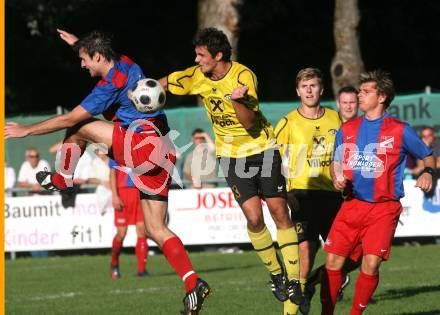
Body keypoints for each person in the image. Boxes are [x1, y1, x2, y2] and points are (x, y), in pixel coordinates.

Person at [5, 29, 210, 315]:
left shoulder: (108, 86)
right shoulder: (126, 62)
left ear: (98, 56)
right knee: (155, 228)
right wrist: (80, 45)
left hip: (140, 144)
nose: (82, 65)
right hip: (163, 149)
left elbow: (70, 117)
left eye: (84, 60)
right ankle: (192, 282)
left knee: (78, 127)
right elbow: (102, 56)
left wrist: (27, 130)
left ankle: (63, 177)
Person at [159, 27, 303, 306]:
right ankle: (277, 275)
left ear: (219, 55)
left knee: (278, 211)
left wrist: (236, 100)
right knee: (253, 218)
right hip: (231, 156)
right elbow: (164, 82)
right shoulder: (197, 75)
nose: (197, 60)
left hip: (262, 149)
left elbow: (249, 123)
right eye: (197, 54)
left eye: (202, 55)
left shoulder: (243, 76)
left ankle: (294, 280)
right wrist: (144, 89)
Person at [320, 69, 434, 315]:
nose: (359, 96)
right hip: (352, 205)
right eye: (360, 91)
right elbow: (337, 161)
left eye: (365, 91)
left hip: (384, 208)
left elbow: (428, 157)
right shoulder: (348, 128)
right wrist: (336, 176)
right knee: (332, 264)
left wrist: (428, 173)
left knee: (370, 265)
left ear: (381, 97)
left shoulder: (400, 129)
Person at [274, 68, 342, 315]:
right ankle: (294, 304)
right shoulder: (288, 121)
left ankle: (313, 282)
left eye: (313, 85)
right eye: (305, 86)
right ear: (298, 91)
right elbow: (272, 157)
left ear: (322, 89)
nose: (309, 90)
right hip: (301, 194)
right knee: (305, 250)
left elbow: (347, 153)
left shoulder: (336, 119)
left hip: (334, 195)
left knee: (348, 256)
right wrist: (279, 191)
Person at [109, 158, 149, 279]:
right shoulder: (115, 147)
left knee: (142, 230)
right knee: (121, 233)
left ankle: (141, 270)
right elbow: (112, 173)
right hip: (123, 193)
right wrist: (115, 195)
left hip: (140, 192)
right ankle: (114, 264)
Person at [88, 149, 112, 215]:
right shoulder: (95, 162)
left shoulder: (114, 160)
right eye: (99, 151)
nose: (100, 153)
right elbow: (91, 178)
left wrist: (112, 184)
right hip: (102, 189)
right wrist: (103, 183)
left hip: (116, 188)